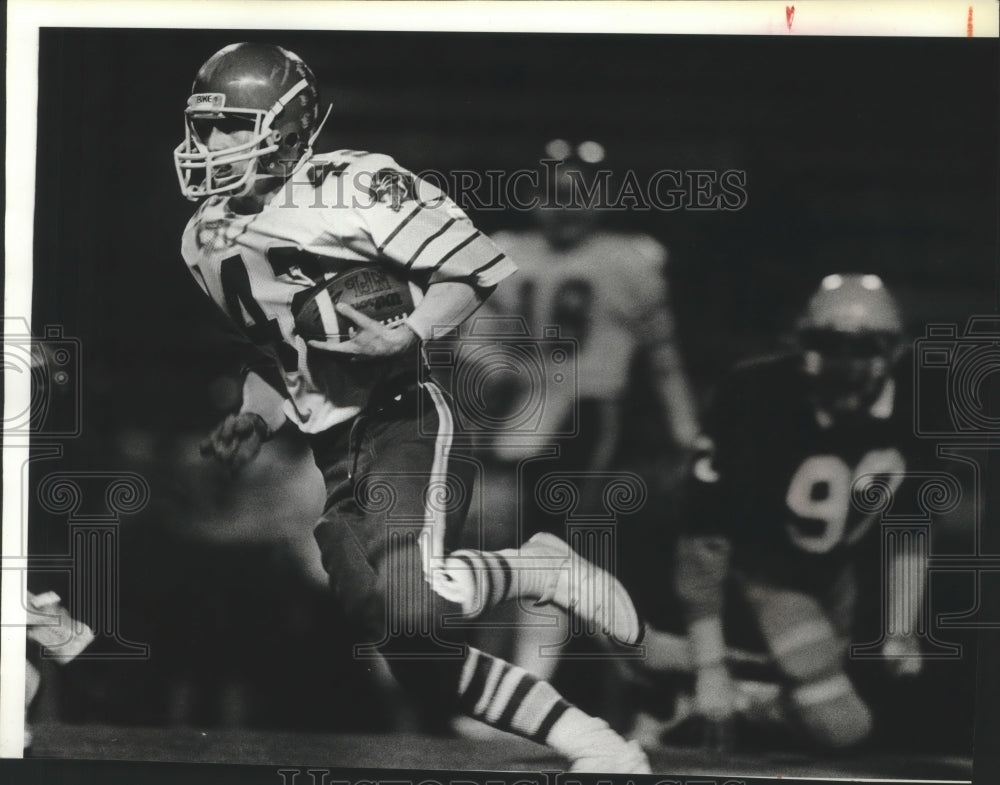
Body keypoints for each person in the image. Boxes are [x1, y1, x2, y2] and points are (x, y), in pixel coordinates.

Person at [173, 42, 649, 772]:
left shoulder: (351, 182)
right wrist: (256, 413)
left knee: (416, 608)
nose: (209, 145)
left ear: (288, 126)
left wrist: (410, 329)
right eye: (204, 127)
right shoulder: (203, 239)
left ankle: (534, 569)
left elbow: (471, 263)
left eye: (232, 126)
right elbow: (274, 352)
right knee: (412, 651)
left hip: (402, 418)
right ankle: (593, 741)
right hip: (332, 452)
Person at [476, 144, 699, 687]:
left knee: (556, 551)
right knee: (511, 554)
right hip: (517, 422)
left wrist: (686, 434)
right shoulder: (505, 255)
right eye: (554, 194)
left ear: (602, 200)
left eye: (579, 194)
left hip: (592, 419)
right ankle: (513, 675)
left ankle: (534, 680)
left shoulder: (627, 262)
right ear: (532, 200)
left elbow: (663, 361)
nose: (566, 207)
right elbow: (479, 354)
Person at [672, 273, 926, 750]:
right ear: (804, 344)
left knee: (845, 721)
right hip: (763, 576)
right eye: (832, 346)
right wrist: (709, 667)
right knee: (845, 727)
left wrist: (902, 628)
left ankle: (736, 697)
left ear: (894, 350)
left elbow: (911, 526)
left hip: (837, 580)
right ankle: (691, 681)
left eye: (864, 348)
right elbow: (702, 533)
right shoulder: (758, 393)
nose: (847, 365)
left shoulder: (918, 404)